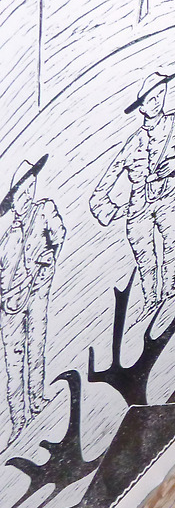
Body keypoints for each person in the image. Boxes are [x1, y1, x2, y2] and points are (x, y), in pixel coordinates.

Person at [89, 71, 175, 307]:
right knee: (145, 258)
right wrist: (115, 211)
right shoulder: (133, 143)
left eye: (160, 94)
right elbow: (101, 190)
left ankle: (169, 290)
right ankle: (151, 301)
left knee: (172, 244)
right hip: (139, 206)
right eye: (151, 99)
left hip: (170, 197)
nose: (157, 101)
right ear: (141, 107)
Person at [0, 155, 64, 442]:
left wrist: (48, 261)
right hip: (10, 308)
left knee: (36, 346)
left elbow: (58, 236)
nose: (26, 195)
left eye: (29, 187)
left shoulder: (44, 210)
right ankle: (18, 421)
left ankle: (37, 401)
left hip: (36, 293)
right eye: (19, 193)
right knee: (13, 364)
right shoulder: (5, 240)